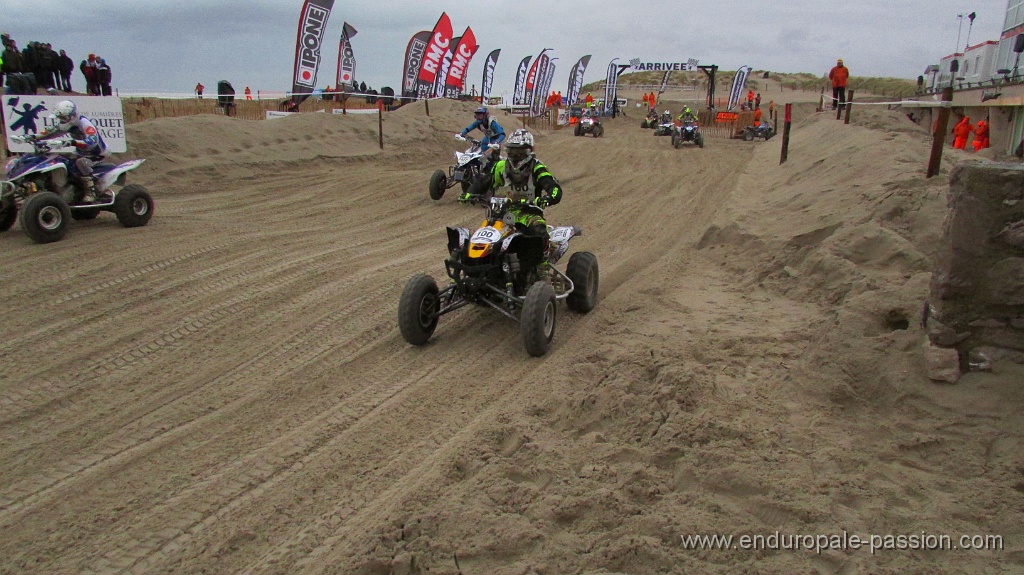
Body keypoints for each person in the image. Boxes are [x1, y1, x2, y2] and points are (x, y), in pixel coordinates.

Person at [467, 128, 563, 272]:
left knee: (538, 230)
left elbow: (553, 187)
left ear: (529, 151)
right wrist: (470, 193)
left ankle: (542, 267)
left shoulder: (537, 167)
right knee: (486, 233)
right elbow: (484, 181)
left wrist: (548, 198)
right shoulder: (501, 166)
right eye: (512, 152)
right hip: (505, 211)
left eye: (520, 152)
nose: (515, 156)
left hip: (530, 212)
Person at [26, 100, 108, 203]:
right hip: (81, 152)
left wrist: (70, 142)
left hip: (96, 153)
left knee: (80, 162)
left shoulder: (85, 123)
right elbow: (49, 132)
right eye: (60, 118)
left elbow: (93, 141)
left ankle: (91, 191)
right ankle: (66, 188)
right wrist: (30, 137)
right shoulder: (67, 124)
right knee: (62, 160)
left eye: (63, 118)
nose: (62, 120)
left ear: (72, 115)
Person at [456, 106, 506, 200]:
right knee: (477, 152)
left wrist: (497, 142)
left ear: (485, 115)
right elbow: (468, 128)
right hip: (487, 138)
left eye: (480, 115)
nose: (479, 117)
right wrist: (461, 134)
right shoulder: (478, 122)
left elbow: (502, 134)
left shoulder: (492, 123)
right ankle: (470, 170)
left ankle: (490, 177)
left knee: (493, 160)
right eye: (477, 115)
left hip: (495, 140)